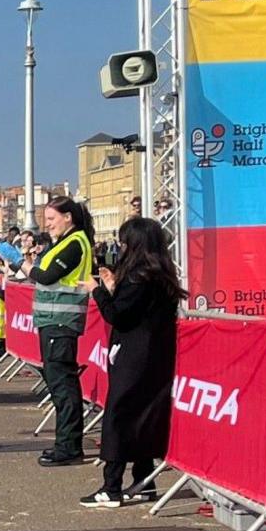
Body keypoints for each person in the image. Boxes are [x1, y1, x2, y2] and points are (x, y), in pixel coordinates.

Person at [81, 217, 182, 508]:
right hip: (157, 355)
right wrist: (113, 287)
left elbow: (119, 316)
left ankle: (111, 486)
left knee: (118, 417)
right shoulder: (161, 274)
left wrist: (97, 290)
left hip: (134, 355)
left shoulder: (139, 277)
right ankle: (144, 481)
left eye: (125, 242)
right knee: (145, 417)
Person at [29, 197, 97, 467]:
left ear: (68, 217)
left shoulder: (74, 244)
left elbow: (45, 276)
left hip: (62, 320)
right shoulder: (63, 243)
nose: (48, 225)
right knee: (59, 385)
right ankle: (66, 443)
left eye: (51, 219)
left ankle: (69, 446)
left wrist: (27, 267)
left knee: (63, 386)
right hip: (53, 320)